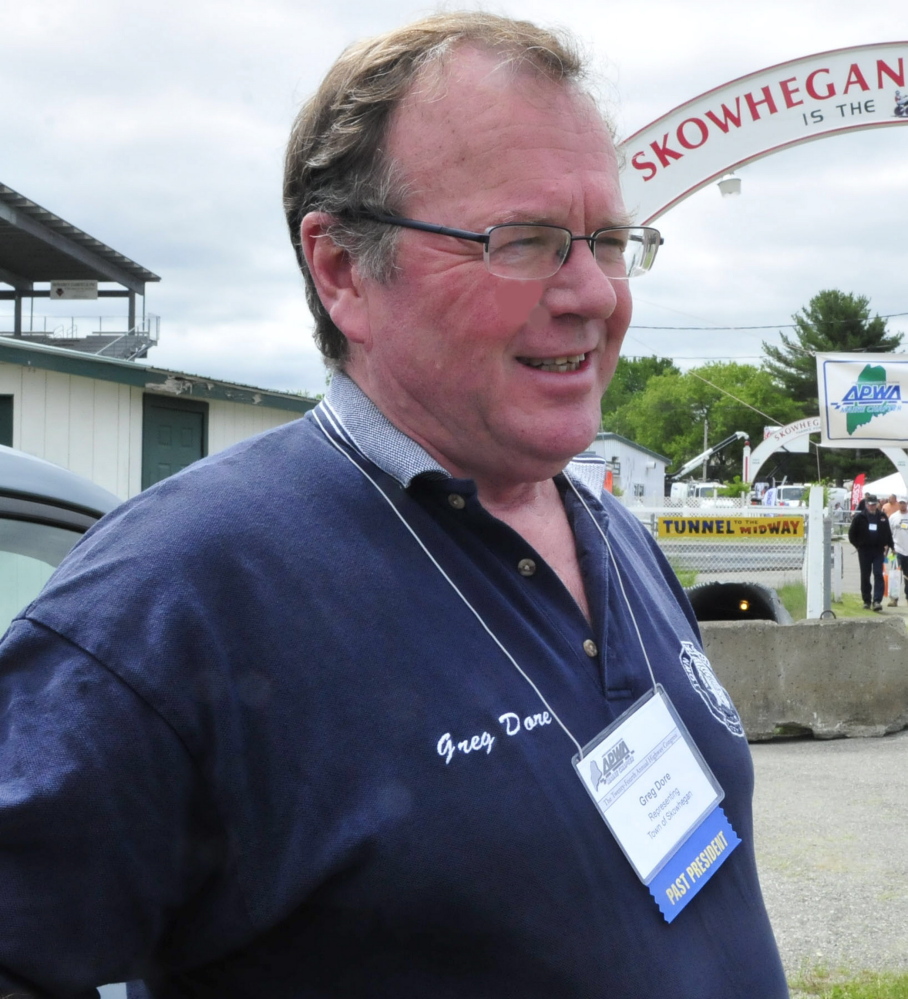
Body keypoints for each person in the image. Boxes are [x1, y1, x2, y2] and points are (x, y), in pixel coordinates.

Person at [0, 13, 788, 997]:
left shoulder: (616, 538)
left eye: (609, 241)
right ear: (342, 272)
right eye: (524, 241)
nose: (592, 292)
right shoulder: (175, 600)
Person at [848, 493, 894, 610]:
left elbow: (888, 533)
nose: (872, 507)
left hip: (878, 550)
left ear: (877, 504)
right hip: (864, 550)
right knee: (865, 575)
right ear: (866, 504)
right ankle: (866, 600)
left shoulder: (882, 517)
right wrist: (858, 545)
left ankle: (877, 600)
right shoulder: (860, 517)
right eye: (870, 504)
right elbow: (851, 534)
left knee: (878, 573)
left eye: (874, 504)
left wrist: (891, 546)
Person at [888, 495, 908, 606]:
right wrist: (890, 547)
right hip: (897, 550)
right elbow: (889, 534)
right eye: (900, 503)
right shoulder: (893, 517)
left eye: (904, 503)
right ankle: (894, 598)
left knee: (907, 576)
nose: (902, 505)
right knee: (895, 574)